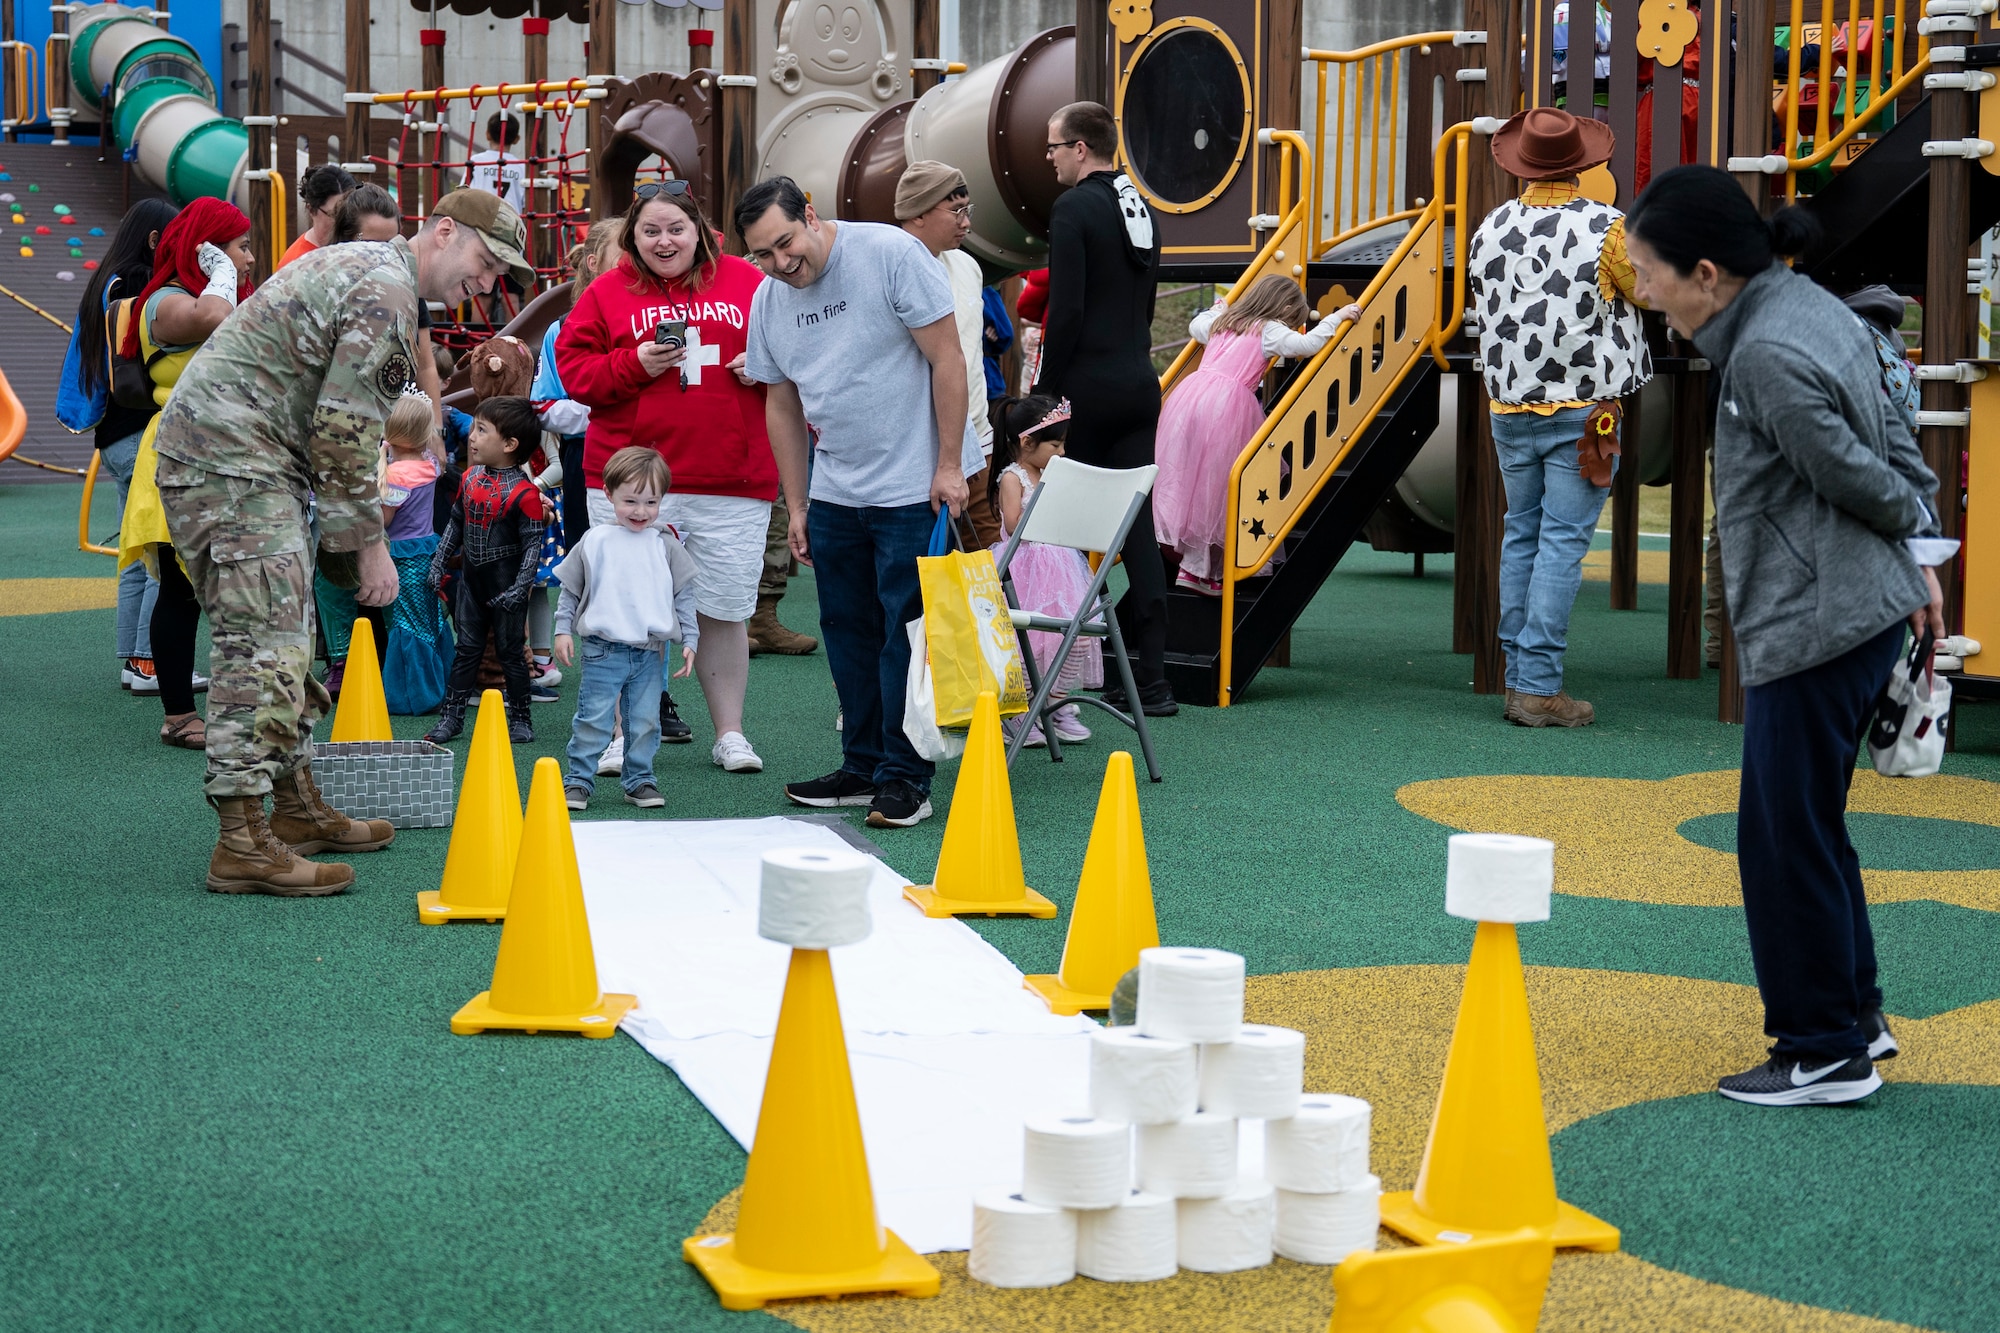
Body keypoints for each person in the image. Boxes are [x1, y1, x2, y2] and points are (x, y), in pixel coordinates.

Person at [1626, 165, 1949, 1106]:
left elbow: (1856, 472)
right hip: (1855, 609)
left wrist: (1908, 534)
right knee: (1808, 826)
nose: (1641, 290)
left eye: (1648, 272)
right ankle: (1855, 1018)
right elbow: (1894, 434)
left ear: (1704, 272)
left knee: (1778, 838)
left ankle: (1820, 1051)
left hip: (1818, 618)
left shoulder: (1763, 350)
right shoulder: (1809, 306)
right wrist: (1918, 546)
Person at [152, 186, 529, 895]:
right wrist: (369, 545)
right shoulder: (388, 289)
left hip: (245, 458)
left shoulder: (376, 271)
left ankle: (293, 808)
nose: (484, 283)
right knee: (262, 640)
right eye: (484, 261)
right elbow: (345, 428)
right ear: (443, 231)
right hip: (230, 461)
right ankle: (242, 839)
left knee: (287, 632)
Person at [737, 175, 981, 828]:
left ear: (810, 216)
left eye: (786, 243)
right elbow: (780, 400)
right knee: (847, 631)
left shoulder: (889, 254)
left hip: (914, 483)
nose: (781, 263)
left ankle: (907, 778)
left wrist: (950, 465)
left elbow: (948, 359)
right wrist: (798, 501)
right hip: (837, 490)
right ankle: (863, 764)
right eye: (763, 253)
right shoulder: (769, 299)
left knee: (906, 634)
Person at [556, 179, 775, 774]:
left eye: (676, 228)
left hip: (731, 477)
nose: (664, 240)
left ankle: (730, 733)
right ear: (632, 236)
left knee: (725, 609)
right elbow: (573, 373)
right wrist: (634, 364)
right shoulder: (606, 292)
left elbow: (794, 349)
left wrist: (764, 367)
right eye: (650, 230)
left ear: (699, 232)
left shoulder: (749, 281)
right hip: (633, 480)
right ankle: (621, 735)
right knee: (626, 611)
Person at [1465, 105, 1652, 728]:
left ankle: (1521, 678)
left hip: (1508, 405)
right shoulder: (1609, 227)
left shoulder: (1488, 228)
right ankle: (1538, 686)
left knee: (1522, 533)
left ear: (1523, 167)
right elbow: (1645, 289)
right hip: (1585, 410)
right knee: (1561, 546)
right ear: (1582, 165)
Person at [1035, 100, 1173, 716]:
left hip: (1086, 385)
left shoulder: (1073, 208)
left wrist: (1048, 389)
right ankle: (1152, 679)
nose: (1049, 157)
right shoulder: (1138, 204)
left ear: (1080, 149)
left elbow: (1064, 309)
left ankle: (1056, 667)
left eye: (1054, 146)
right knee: (1135, 529)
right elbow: (1140, 303)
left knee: (1057, 524)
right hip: (1138, 380)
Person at [116, 199, 256, 751]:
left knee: (235, 588)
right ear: (208, 248)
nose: (247, 260)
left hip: (231, 454)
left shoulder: (222, 295)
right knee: (180, 590)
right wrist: (221, 274)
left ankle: (240, 702)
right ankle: (177, 712)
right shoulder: (165, 302)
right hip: (181, 453)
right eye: (239, 248)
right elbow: (213, 320)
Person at [1155, 276, 1359, 595]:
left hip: (1192, 397)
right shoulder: (1271, 329)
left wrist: (1218, 306)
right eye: (1294, 320)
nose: (1292, 327)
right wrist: (1337, 316)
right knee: (1222, 485)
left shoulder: (1223, 321)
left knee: (1194, 478)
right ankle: (1196, 570)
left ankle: (1190, 560)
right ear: (1286, 308)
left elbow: (1198, 324)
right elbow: (1307, 346)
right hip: (1229, 407)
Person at [56, 196, 178, 692]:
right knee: (161, 550)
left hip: (113, 434)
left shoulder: (104, 280)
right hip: (138, 429)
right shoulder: (134, 283)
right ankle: (152, 660)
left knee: (135, 550)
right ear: (154, 240)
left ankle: (135, 660)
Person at [555, 445, 701, 812]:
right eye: (631, 501)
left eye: (651, 502)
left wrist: (691, 639)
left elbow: (684, 594)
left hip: (651, 651)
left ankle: (639, 781)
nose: (641, 511)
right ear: (608, 494)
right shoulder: (595, 541)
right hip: (602, 649)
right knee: (593, 717)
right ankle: (578, 781)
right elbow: (570, 589)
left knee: (647, 720)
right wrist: (561, 630)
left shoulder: (666, 544)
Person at [425, 396, 548, 745]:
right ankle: (452, 717)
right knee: (467, 650)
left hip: (505, 584)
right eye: (474, 428)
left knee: (511, 653)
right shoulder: (469, 478)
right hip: (473, 583)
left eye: (482, 430)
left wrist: (518, 588)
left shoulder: (525, 494)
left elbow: (532, 550)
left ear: (510, 445)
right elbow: (455, 526)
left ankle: (521, 718)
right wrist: (438, 562)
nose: (472, 437)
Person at [896, 160, 1000, 549]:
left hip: (978, 442)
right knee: (922, 572)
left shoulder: (968, 266)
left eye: (967, 211)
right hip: (916, 452)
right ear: (917, 212)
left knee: (990, 565)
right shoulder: (886, 266)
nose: (966, 223)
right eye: (956, 211)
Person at [989, 395, 1099, 746]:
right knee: (1029, 641)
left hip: (1061, 567)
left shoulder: (1051, 471)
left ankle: (1054, 702)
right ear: (1027, 441)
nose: (1062, 451)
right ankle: (1018, 711)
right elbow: (1012, 523)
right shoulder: (1013, 477)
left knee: (1079, 634)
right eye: (1055, 443)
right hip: (1024, 566)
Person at [335, 184, 446, 456]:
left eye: (391, 245)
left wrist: (435, 430)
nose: (384, 256)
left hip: (395, 427)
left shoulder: (405, 285)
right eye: (371, 246)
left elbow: (425, 364)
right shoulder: (331, 288)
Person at [534, 219, 624, 554]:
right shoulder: (562, 330)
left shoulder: (653, 319)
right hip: (585, 456)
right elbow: (542, 406)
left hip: (648, 452)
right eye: (624, 253)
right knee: (587, 552)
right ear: (593, 262)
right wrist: (605, 411)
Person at [378, 389, 453, 714]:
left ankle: (415, 695)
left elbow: (385, 519)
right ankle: (444, 683)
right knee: (431, 617)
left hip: (402, 555)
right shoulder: (430, 464)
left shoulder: (395, 475)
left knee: (406, 622)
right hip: (428, 549)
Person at [279, 164, 356, 268]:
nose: (343, 220)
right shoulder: (296, 263)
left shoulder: (359, 243)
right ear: (311, 209)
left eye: (348, 211)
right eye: (334, 214)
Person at [464, 111, 527, 213]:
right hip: (511, 223)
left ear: (487, 135)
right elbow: (526, 204)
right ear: (516, 139)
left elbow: (462, 193)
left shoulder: (475, 162)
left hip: (480, 222)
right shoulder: (522, 167)